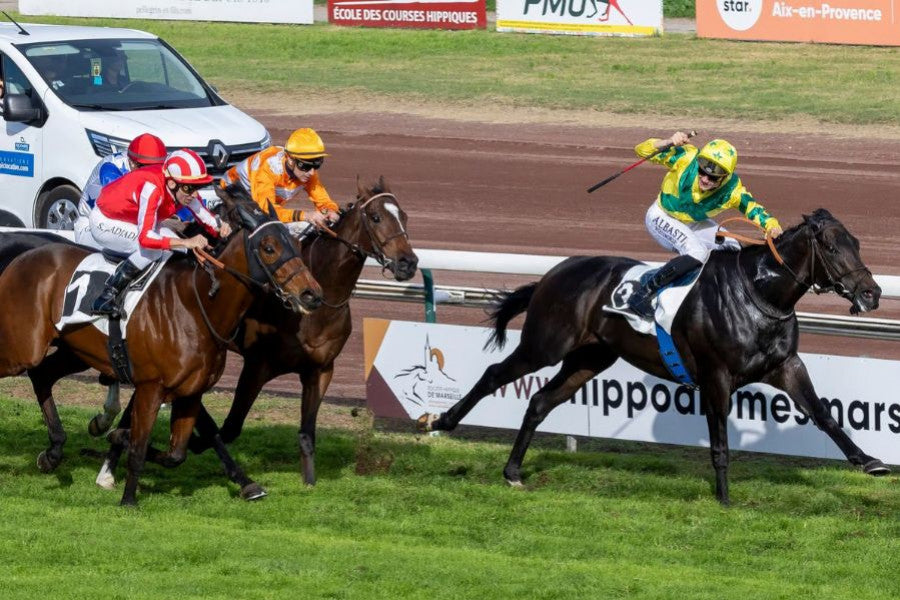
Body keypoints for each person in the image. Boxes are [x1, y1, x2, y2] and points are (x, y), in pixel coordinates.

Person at [627, 132, 783, 319]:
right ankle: (642, 294)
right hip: (661, 215)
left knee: (733, 249)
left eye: (713, 177)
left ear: (725, 177)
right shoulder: (685, 157)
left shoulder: (733, 190)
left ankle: (718, 299)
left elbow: (753, 209)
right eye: (702, 171)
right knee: (697, 252)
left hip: (693, 222)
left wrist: (772, 226)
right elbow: (641, 150)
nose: (705, 179)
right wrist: (669, 141)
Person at [89, 148, 231, 317]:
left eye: (197, 188)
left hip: (129, 218)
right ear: (172, 183)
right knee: (155, 249)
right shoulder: (152, 189)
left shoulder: (181, 188)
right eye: (189, 188)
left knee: (178, 247)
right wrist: (187, 242)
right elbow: (146, 238)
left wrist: (221, 226)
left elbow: (204, 215)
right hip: (104, 221)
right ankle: (107, 295)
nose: (194, 194)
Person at [220, 127, 339, 236]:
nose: (312, 173)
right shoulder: (267, 167)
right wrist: (305, 216)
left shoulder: (307, 172)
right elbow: (267, 211)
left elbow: (323, 201)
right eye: (306, 166)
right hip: (233, 197)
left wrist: (330, 211)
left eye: (317, 166)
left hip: (264, 203)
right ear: (291, 160)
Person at [74, 133, 168, 247]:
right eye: (146, 167)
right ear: (132, 162)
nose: (152, 172)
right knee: (142, 245)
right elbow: (122, 211)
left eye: (157, 167)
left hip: (123, 224)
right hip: (91, 225)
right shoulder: (111, 167)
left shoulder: (157, 169)